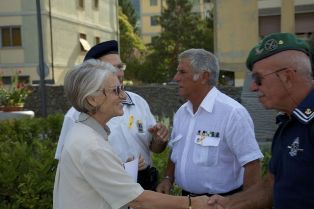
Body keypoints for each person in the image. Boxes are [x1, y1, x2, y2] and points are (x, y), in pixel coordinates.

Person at [53, 59, 212, 209]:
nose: (123, 96)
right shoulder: (91, 146)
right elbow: (137, 199)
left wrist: (121, 168)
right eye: (116, 90)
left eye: (121, 88)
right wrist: (194, 203)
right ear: (93, 99)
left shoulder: (84, 132)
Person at [208, 33, 314, 209]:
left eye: (258, 78)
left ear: (287, 77)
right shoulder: (287, 124)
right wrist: (229, 203)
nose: (253, 87)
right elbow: (271, 185)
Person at [55, 40, 168, 190]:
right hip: (106, 189)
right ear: (94, 75)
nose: (120, 73)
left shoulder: (138, 102)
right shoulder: (76, 115)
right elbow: (70, 166)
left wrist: (159, 140)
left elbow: (154, 147)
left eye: (120, 66)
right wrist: (121, 168)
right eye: (113, 69)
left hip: (145, 183)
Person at [156, 48, 263, 197]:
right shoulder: (182, 112)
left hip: (221, 202)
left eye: (182, 72)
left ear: (204, 76)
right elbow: (176, 152)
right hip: (185, 200)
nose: (176, 78)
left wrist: (245, 204)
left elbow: (252, 164)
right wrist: (168, 179)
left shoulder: (233, 113)